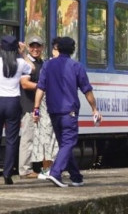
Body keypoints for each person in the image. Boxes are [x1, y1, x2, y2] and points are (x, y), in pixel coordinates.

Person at [35, 36, 101, 187]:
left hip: (53, 111)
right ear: (72, 50)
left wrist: (36, 108)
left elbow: (40, 88)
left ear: (57, 48)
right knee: (69, 142)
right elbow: (87, 90)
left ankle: (76, 177)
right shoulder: (76, 66)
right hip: (68, 111)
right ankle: (55, 172)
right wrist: (94, 109)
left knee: (64, 143)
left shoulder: (47, 65)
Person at [0, 34, 32, 185]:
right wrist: (23, 53)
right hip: (13, 103)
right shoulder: (21, 62)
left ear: (1, 47)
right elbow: (33, 68)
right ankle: (8, 175)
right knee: (11, 140)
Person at [19, 39, 56, 177]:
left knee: (39, 138)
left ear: (43, 47)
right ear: (28, 47)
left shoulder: (41, 63)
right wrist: (43, 87)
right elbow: (24, 83)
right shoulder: (26, 64)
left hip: (40, 106)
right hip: (29, 105)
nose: (35, 49)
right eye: (32, 46)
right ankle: (25, 170)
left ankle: (39, 168)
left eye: (38, 46)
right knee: (28, 137)